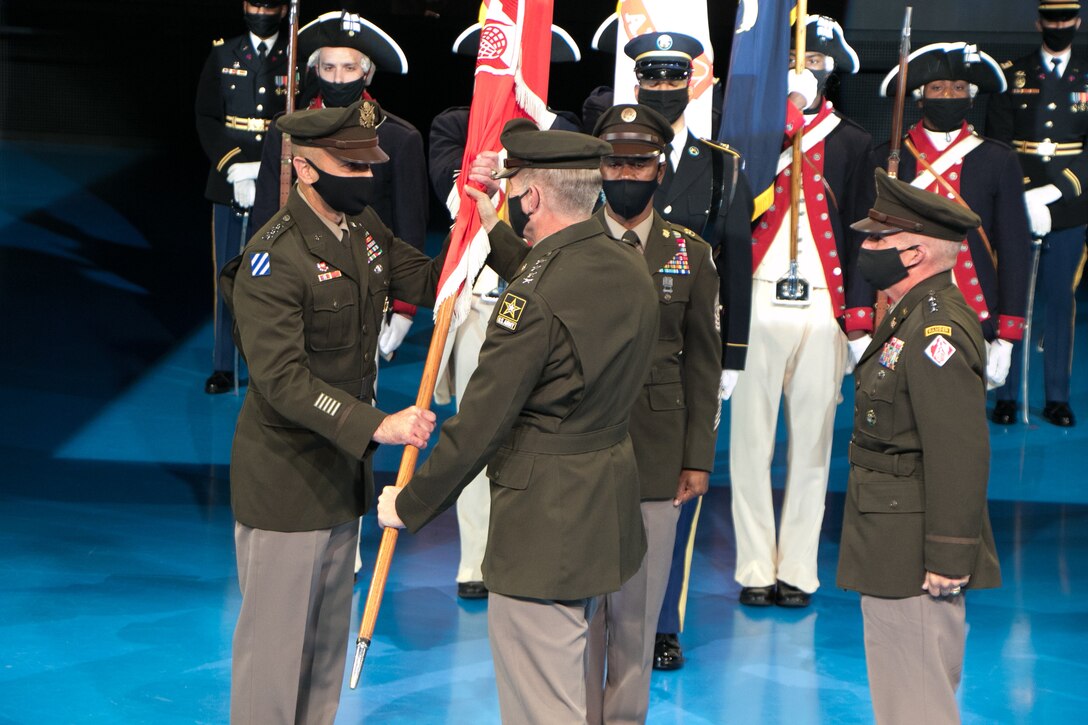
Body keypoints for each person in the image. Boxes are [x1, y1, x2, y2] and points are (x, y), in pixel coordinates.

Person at [377, 119, 659, 724]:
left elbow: (480, 421)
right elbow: (560, 293)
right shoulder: (628, 264)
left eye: (513, 191)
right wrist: (490, 228)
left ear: (531, 196)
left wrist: (409, 503)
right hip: (605, 505)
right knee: (579, 692)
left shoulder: (533, 301)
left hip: (543, 527)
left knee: (541, 705)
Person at [219, 100, 448, 725]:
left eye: (369, 162)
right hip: (286, 480)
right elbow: (282, 381)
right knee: (273, 656)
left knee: (322, 651)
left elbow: (429, 280)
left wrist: (479, 227)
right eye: (351, 165)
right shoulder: (272, 258)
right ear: (306, 169)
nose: (368, 175)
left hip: (338, 477)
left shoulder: (363, 227)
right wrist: (379, 426)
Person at [426, 20, 582, 600]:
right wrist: (486, 165)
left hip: (543, 309)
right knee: (473, 429)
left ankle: (522, 548)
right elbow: (453, 195)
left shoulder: (561, 132)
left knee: (534, 437)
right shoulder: (455, 126)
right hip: (480, 307)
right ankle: (475, 561)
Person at [839, 167, 1001, 724]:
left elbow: (959, 451)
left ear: (913, 254)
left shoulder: (936, 333)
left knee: (918, 704)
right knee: (903, 698)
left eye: (878, 238)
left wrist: (949, 554)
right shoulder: (909, 317)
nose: (865, 246)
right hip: (890, 537)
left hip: (914, 552)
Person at [583, 104, 721, 724]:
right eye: (613, 161)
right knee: (580, 608)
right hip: (578, 451)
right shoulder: (568, 243)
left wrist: (697, 459)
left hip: (660, 452)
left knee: (637, 612)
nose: (625, 173)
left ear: (660, 170)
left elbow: (703, 365)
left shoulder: (689, 253)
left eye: (638, 162)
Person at [730, 15, 874, 610]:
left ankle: (798, 569)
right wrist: (777, 122)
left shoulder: (853, 142)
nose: (804, 71)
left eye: (814, 64)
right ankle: (755, 567)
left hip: (823, 307)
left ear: (831, 71)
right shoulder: (753, 135)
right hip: (758, 299)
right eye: (795, 62)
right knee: (749, 445)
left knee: (812, 447)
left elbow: (866, 234)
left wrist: (860, 316)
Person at [622, 29, 754, 671]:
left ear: (691, 82)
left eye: (676, 78)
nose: (664, 90)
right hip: (611, 352)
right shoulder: (608, 155)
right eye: (652, 79)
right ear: (637, 83)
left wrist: (732, 355)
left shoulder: (723, 164)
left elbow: (734, 262)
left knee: (674, 494)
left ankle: (662, 622)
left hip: (679, 355)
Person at [249, 9, 429, 363]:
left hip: (363, 286)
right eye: (328, 67)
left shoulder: (396, 137)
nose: (338, 77)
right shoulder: (287, 131)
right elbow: (265, 212)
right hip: (294, 281)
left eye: (349, 68)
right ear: (315, 70)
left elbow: (409, 226)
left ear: (367, 72)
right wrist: (257, 278)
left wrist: (405, 308)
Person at [875, 42, 1032, 420]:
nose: (949, 96)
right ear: (919, 98)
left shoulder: (997, 159)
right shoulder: (890, 157)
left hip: (972, 315)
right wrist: (862, 323)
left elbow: (1013, 249)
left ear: (971, 96)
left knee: (959, 425)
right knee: (896, 416)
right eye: (938, 89)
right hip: (899, 312)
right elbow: (871, 243)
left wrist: (1007, 336)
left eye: (959, 88)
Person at [985, 0, 1088, 427]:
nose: (1059, 25)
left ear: (1078, 22)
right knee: (1011, 297)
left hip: (1069, 206)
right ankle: (1005, 391)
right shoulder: (1011, 72)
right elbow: (998, 141)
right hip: (1017, 204)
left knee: (1060, 302)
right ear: (1038, 22)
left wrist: (1055, 190)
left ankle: (1057, 397)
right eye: (1051, 19)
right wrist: (1023, 195)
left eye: (1066, 19)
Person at [195, 0, 289, 394]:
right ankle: (225, 366)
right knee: (229, 276)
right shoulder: (223, 52)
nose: (261, 11)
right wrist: (234, 167)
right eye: (255, 3)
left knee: (279, 278)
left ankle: (274, 367)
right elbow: (206, 116)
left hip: (279, 178)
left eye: (270, 5)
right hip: (230, 181)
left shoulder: (295, 55)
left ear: (283, 10)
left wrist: (266, 169)